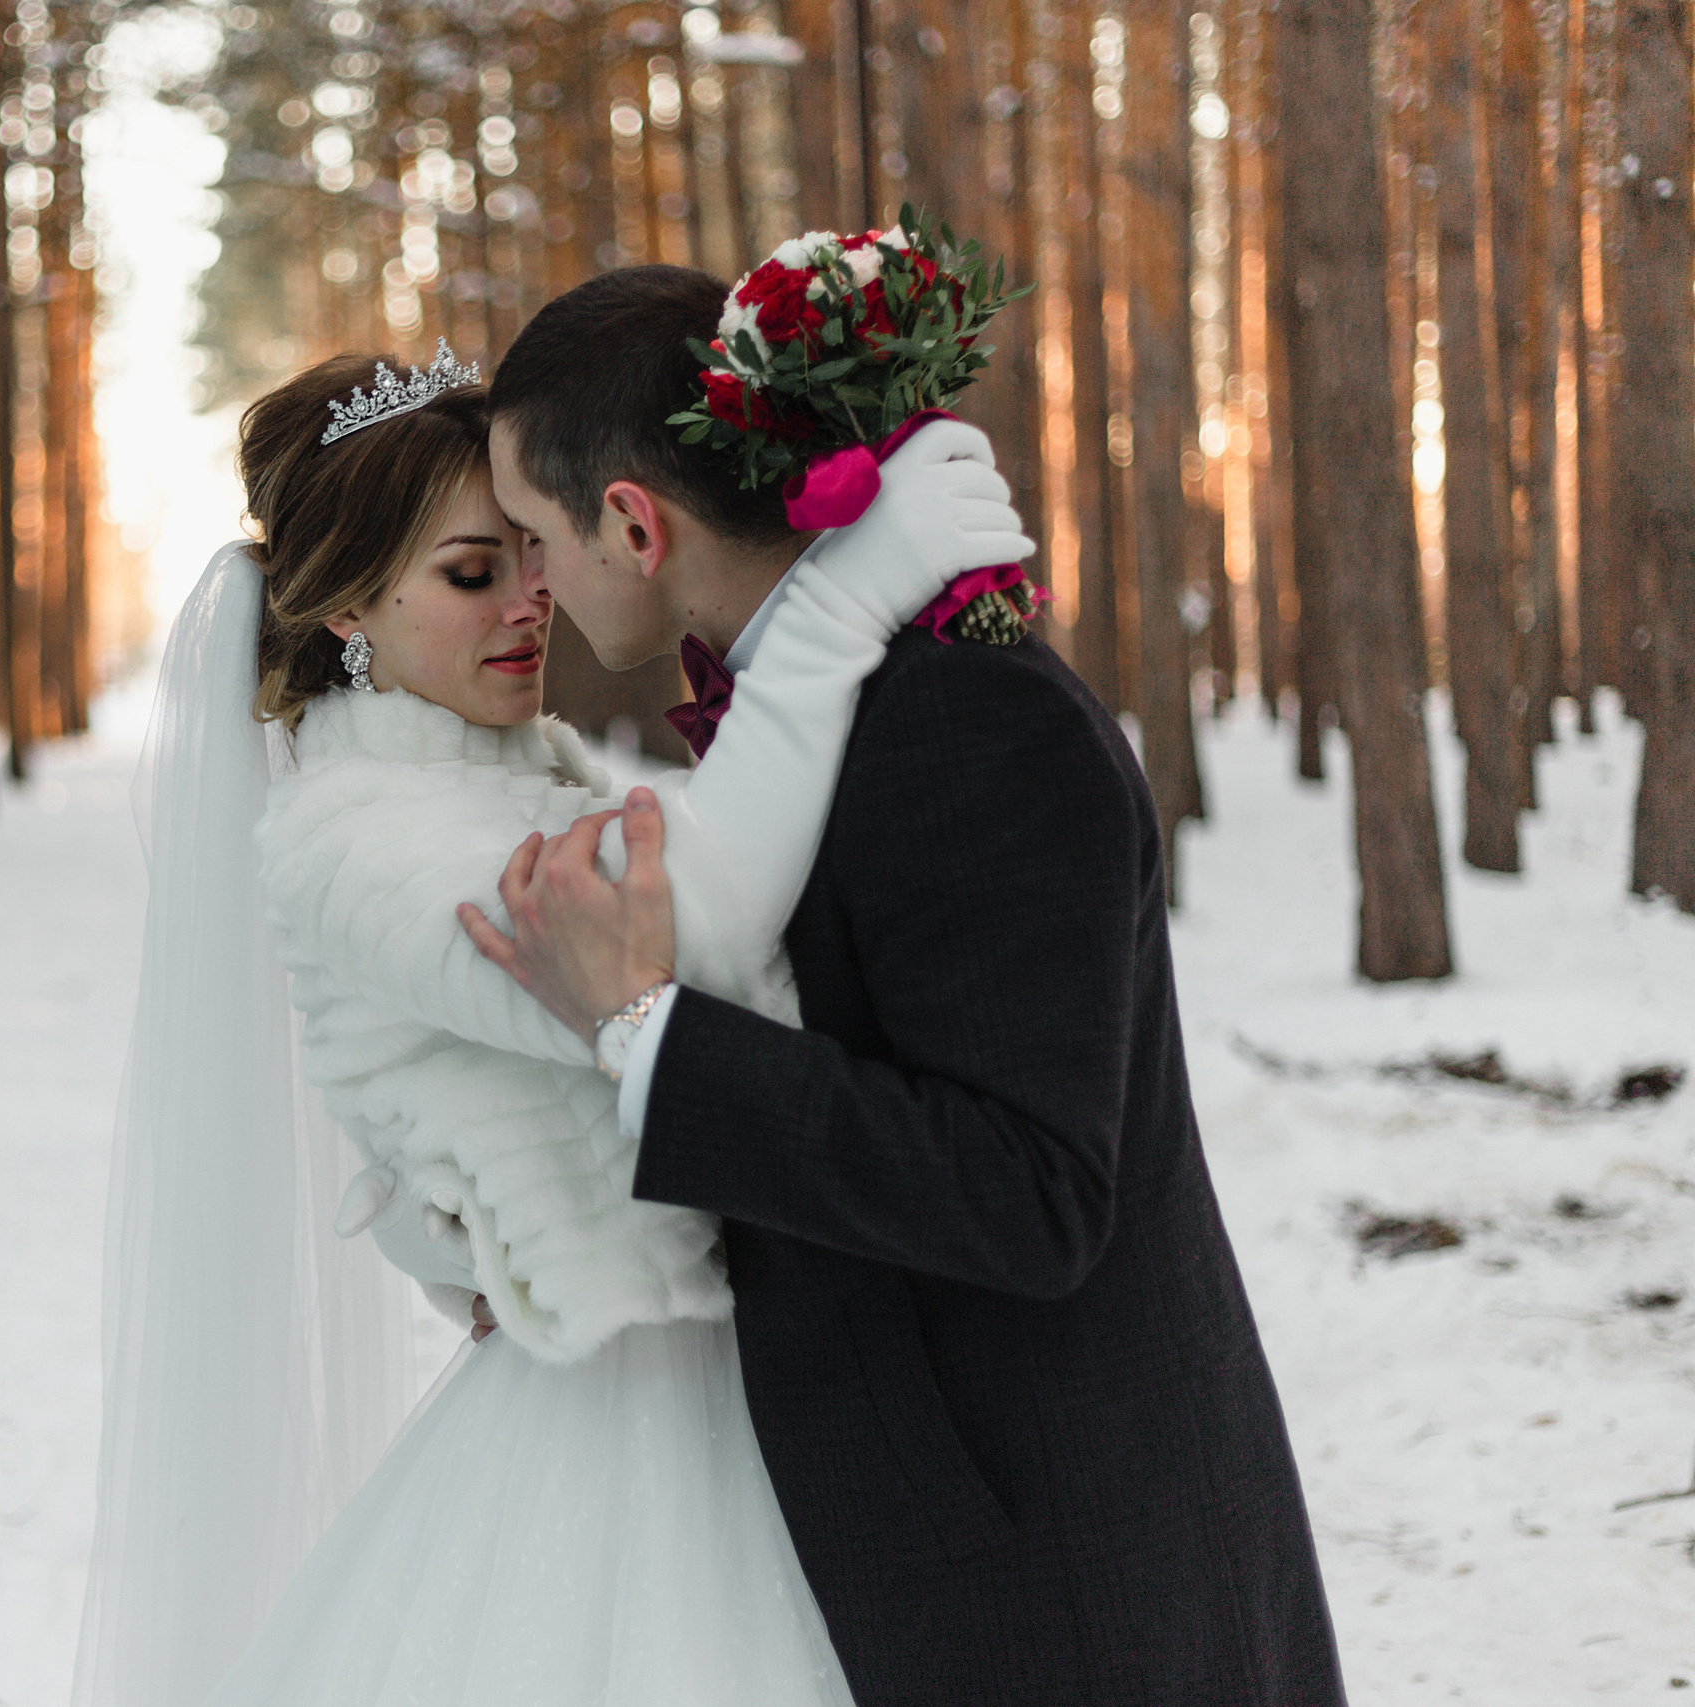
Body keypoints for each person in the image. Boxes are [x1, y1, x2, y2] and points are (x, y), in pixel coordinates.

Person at [70, 340, 1029, 1707]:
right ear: (349, 608)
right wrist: (838, 610)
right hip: (626, 1420)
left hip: (748, 1362)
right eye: (473, 572)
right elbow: (683, 936)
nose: (534, 599)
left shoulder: (526, 761)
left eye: (529, 549)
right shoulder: (356, 838)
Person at [461, 264, 1351, 1706]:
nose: (532, 583)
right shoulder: (839, 715)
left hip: (1064, 1578)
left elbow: (1028, 1192)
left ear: (632, 521)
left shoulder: (967, 725)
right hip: (946, 1547)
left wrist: (642, 1026)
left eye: (534, 535)